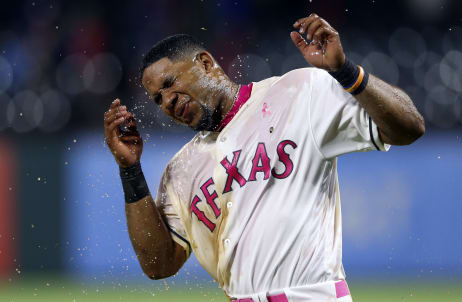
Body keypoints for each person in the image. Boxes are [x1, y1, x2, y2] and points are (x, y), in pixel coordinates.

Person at [104, 13, 424, 302]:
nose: (168, 102)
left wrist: (346, 72)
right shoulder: (181, 170)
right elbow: (159, 266)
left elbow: (409, 127)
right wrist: (130, 170)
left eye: (171, 84)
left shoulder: (298, 92)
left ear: (205, 63)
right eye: (158, 99)